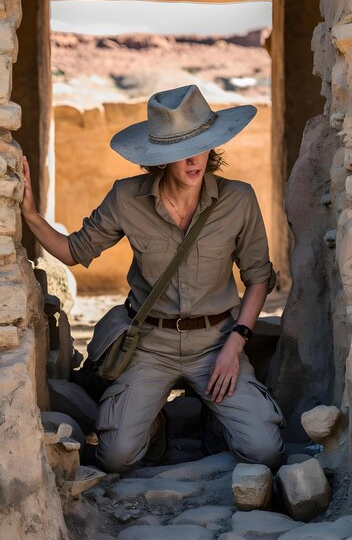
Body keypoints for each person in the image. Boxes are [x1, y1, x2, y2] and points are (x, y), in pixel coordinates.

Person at [21, 84, 285, 473]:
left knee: (266, 452)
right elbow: (75, 251)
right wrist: (29, 215)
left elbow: (259, 279)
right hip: (150, 344)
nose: (195, 160)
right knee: (115, 457)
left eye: (203, 146)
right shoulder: (126, 198)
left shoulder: (239, 200)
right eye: (181, 152)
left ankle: (215, 423)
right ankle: (155, 426)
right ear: (160, 158)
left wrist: (236, 342)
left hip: (216, 342)